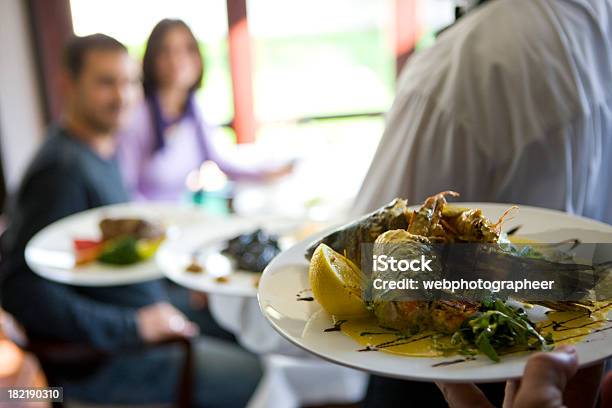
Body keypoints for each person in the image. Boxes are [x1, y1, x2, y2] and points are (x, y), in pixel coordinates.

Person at [353, 0, 612, 406]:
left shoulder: (455, 71)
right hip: (585, 350)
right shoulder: (597, 13)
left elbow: (368, 265)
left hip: (447, 376)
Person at [0, 34, 260, 407]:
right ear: (68, 85)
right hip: (107, 359)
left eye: (130, 82)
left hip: (142, 315)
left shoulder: (102, 151)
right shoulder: (62, 171)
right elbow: (19, 289)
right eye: (106, 82)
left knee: (244, 323)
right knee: (258, 374)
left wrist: (181, 282)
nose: (122, 96)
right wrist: (135, 326)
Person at [116, 18, 291, 202]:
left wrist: (270, 171)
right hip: (149, 224)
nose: (176, 59)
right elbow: (125, 191)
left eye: (186, 50)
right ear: (151, 60)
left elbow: (222, 162)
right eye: (165, 51)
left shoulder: (194, 113)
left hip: (180, 220)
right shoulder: (136, 117)